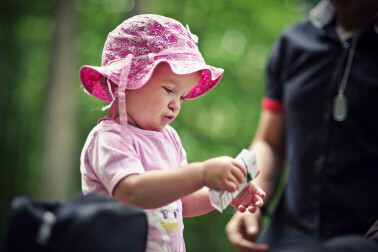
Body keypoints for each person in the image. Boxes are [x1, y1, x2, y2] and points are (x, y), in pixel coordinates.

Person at [79, 14, 266, 252]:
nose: (175, 105)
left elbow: (182, 201)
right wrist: (201, 173)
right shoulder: (109, 138)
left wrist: (225, 191)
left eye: (182, 97)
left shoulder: (170, 139)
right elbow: (131, 191)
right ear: (127, 81)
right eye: (169, 90)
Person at [226, 0, 378, 251]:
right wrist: (250, 202)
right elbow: (269, 142)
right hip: (289, 234)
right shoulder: (292, 44)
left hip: (365, 235)